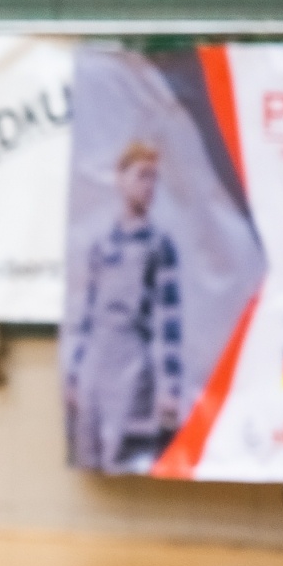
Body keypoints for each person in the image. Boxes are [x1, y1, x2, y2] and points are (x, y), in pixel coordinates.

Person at [66, 140, 182, 474]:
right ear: (121, 178)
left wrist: (170, 388)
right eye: (142, 175)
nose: (149, 186)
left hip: (133, 366)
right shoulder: (103, 244)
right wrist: (74, 373)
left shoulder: (159, 245)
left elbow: (170, 323)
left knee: (121, 459)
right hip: (95, 361)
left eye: (154, 178)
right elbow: (86, 315)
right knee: (87, 453)